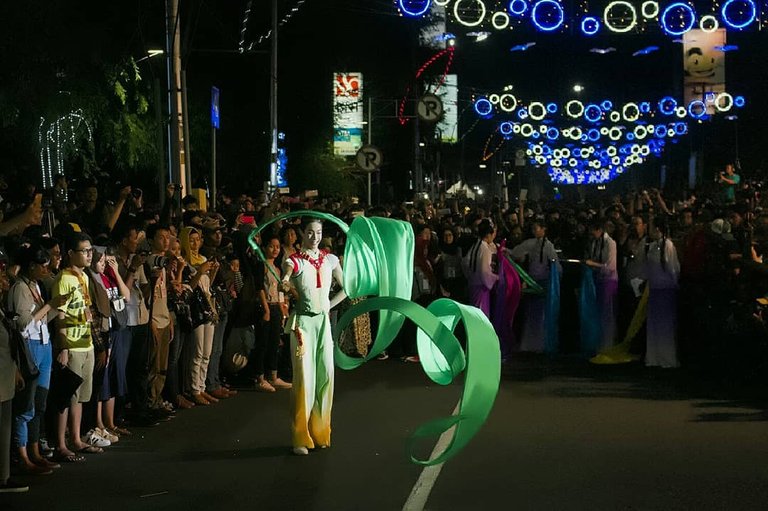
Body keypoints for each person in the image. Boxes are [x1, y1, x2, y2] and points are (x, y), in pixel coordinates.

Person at [281, 219, 346, 455]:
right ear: (302, 234)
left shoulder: (330, 259)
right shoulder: (294, 260)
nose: (315, 237)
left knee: (326, 374)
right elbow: (287, 275)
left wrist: (329, 305)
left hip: (323, 322)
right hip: (303, 325)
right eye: (310, 232)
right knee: (305, 378)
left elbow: (347, 286)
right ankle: (300, 436)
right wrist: (286, 282)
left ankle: (320, 431)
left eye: (318, 232)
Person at [8, 245, 67, 474]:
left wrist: (54, 306)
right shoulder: (20, 289)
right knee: (26, 406)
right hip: (30, 347)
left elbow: (40, 318)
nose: (46, 269)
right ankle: (23, 455)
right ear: (31, 265)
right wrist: (49, 306)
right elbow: (23, 324)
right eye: (42, 265)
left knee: (39, 404)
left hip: (43, 345)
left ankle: (34, 451)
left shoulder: (35, 285)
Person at [52, 232, 104, 461]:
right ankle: (61, 444)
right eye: (84, 251)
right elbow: (60, 315)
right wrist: (63, 346)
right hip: (72, 344)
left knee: (81, 396)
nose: (89, 255)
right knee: (67, 396)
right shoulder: (64, 278)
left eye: (90, 250)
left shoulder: (83, 277)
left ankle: (75, 438)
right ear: (70, 253)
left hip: (87, 343)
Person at [509, 219, 561, 352]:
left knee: (540, 314)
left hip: (543, 282)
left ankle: (539, 344)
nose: (534, 231)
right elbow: (516, 252)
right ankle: (530, 344)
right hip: (533, 281)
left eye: (536, 228)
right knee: (532, 313)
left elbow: (556, 266)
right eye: (533, 229)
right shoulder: (531, 243)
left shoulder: (548, 246)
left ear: (543, 229)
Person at [254, 233, 291, 392]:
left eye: (277, 247)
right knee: (263, 343)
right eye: (271, 246)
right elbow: (259, 288)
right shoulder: (261, 265)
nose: (275, 249)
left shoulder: (277, 267)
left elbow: (280, 289)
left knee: (275, 342)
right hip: (266, 306)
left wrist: (283, 307)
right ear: (265, 247)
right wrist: (266, 309)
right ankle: (260, 378)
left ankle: (273, 376)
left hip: (277, 306)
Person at [645, 218, 681, 368]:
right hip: (655, 288)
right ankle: (654, 357)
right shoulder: (653, 246)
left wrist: (673, 283)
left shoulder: (668, 245)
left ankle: (666, 357)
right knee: (654, 324)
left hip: (665, 289)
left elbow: (673, 267)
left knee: (665, 324)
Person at [585, 219, 619, 350]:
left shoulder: (610, 243)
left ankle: (608, 344)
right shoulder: (595, 242)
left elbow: (610, 266)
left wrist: (592, 264)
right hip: (598, 279)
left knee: (608, 313)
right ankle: (600, 342)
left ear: (599, 230)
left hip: (609, 280)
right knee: (600, 313)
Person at [462, 219, 498, 317]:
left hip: (473, 284)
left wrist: (470, 276)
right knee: (481, 316)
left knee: (474, 314)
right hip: (481, 287)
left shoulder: (475, 246)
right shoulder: (485, 249)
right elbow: (485, 272)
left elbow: (465, 262)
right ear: (488, 235)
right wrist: (496, 277)